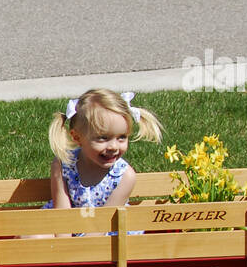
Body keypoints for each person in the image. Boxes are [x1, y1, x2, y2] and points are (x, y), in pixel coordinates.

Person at [37, 88, 164, 237]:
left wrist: (77, 253)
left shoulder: (125, 176)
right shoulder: (63, 165)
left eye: (122, 137)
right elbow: (62, 217)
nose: (113, 147)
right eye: (103, 138)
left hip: (104, 235)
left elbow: (102, 225)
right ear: (77, 138)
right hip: (67, 228)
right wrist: (65, 249)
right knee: (31, 237)